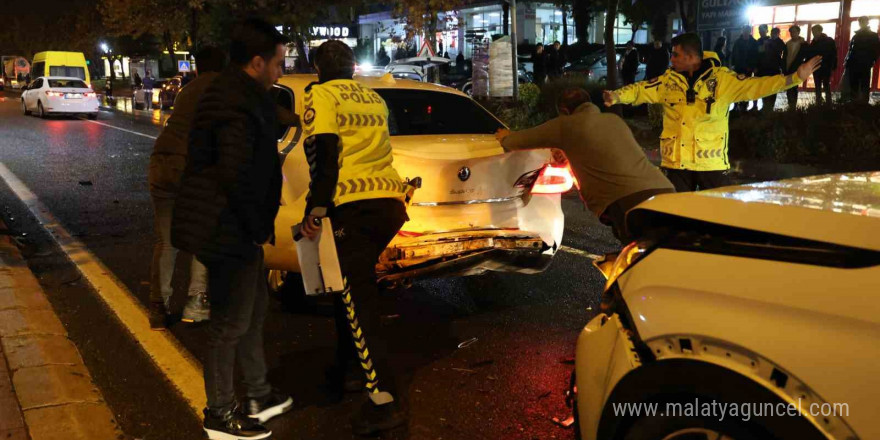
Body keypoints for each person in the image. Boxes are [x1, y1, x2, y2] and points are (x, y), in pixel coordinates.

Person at [171, 18, 293, 439]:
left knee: (252, 312)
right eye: (278, 63)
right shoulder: (234, 101)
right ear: (257, 62)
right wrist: (257, 226)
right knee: (228, 325)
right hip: (228, 227)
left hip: (233, 224)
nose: (281, 70)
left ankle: (258, 392)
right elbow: (237, 172)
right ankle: (220, 413)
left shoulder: (237, 93)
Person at [299, 40, 410, 435]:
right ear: (351, 67)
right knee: (349, 291)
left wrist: (316, 207)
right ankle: (345, 370)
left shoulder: (321, 95)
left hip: (353, 206)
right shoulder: (372, 97)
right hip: (388, 205)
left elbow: (322, 153)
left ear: (317, 68)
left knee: (359, 303)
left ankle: (384, 399)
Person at [604, 33, 821, 192]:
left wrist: (794, 78)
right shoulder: (668, 81)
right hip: (676, 163)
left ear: (692, 57)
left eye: (676, 55)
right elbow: (641, 90)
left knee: (714, 217)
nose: (672, 59)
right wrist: (616, 96)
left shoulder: (723, 80)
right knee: (676, 217)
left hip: (710, 164)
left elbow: (759, 86)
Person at [496, 88, 674, 241]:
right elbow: (601, 151)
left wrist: (505, 136)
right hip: (663, 190)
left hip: (626, 200)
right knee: (672, 253)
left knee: (640, 262)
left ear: (564, 110)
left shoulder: (566, 125)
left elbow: (518, 141)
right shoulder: (613, 120)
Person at [148, 47, 226, 329]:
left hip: (161, 162)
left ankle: (158, 307)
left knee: (166, 241)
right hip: (189, 166)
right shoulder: (222, 88)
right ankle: (196, 302)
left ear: (197, 67)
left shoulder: (187, 91)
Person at [845, 16, 880, 104]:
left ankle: (862, 103)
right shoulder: (857, 35)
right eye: (860, 22)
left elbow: (876, 50)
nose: (861, 24)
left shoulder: (871, 35)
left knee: (863, 84)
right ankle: (856, 103)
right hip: (855, 63)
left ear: (867, 22)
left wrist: (871, 60)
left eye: (863, 22)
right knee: (855, 84)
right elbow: (851, 50)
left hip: (864, 63)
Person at [757, 27, 786, 112]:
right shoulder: (768, 41)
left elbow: (782, 52)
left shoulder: (780, 42)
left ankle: (770, 106)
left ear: (778, 34)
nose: (773, 35)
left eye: (775, 34)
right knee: (765, 87)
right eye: (772, 33)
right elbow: (760, 51)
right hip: (765, 68)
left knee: (773, 88)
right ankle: (764, 105)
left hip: (774, 68)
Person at [730, 25, 758, 111]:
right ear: (742, 31)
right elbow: (734, 53)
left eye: (747, 30)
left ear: (749, 31)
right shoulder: (738, 42)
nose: (746, 32)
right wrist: (733, 64)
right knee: (737, 87)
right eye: (744, 30)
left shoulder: (753, 42)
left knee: (746, 87)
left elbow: (756, 56)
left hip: (748, 69)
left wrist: (753, 67)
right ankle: (735, 105)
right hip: (738, 68)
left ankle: (744, 105)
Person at [810, 24, 838, 105]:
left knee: (825, 85)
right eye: (812, 32)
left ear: (820, 31)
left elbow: (834, 54)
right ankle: (819, 102)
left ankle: (828, 102)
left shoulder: (828, 41)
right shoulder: (814, 42)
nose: (813, 33)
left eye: (815, 31)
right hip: (817, 67)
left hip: (825, 67)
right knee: (818, 85)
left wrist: (832, 66)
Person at [783, 25, 807, 110]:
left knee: (794, 87)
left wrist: (802, 65)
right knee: (789, 87)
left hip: (797, 68)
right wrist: (784, 68)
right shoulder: (788, 43)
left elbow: (806, 56)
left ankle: (793, 106)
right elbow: (785, 57)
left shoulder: (803, 43)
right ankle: (790, 105)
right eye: (791, 32)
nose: (792, 34)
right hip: (788, 68)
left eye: (794, 32)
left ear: (798, 32)